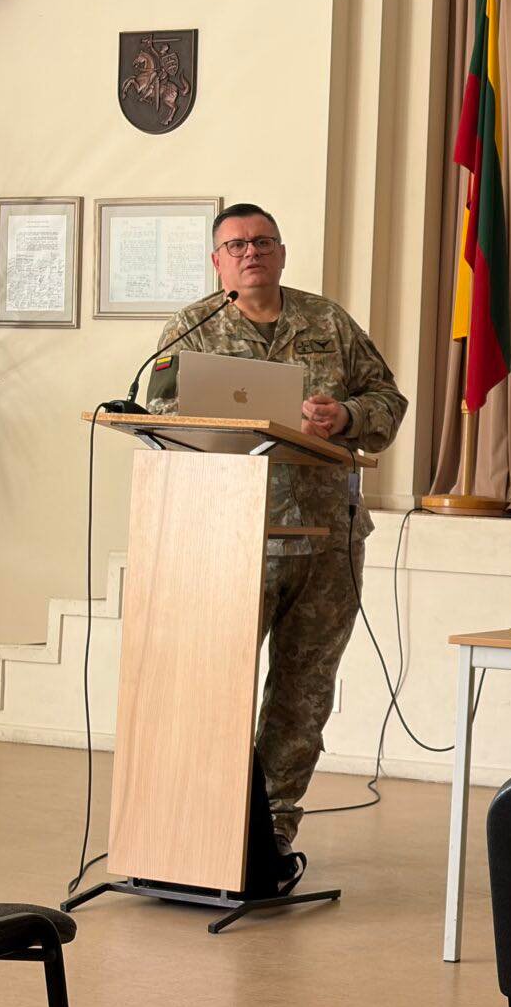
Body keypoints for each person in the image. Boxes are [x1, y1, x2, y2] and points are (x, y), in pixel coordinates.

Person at [150, 203, 408, 855]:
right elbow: (158, 415)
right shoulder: (192, 328)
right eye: (236, 245)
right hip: (229, 537)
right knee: (216, 685)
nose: (251, 253)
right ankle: (204, 826)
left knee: (305, 691)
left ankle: (270, 834)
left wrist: (344, 416)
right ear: (217, 261)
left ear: (282, 253)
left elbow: (387, 399)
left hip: (325, 540)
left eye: (263, 242)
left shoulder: (328, 322)